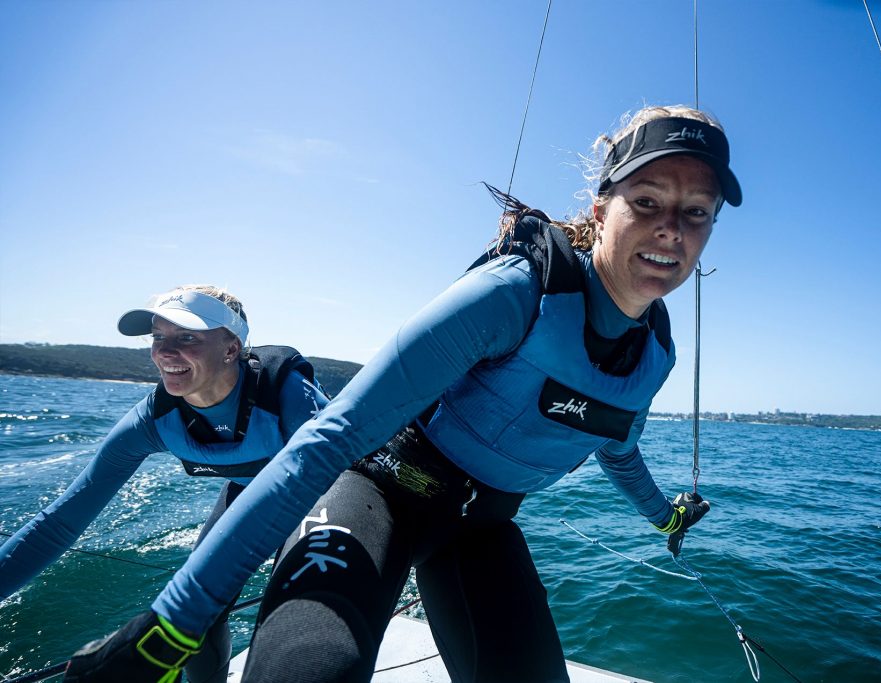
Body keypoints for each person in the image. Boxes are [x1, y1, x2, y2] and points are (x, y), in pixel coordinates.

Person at [64, 104, 742, 683]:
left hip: (480, 528)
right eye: (647, 202)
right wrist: (170, 627)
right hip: (375, 492)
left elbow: (619, 450)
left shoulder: (653, 355)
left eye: (696, 213)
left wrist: (666, 519)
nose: (671, 230)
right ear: (602, 208)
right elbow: (329, 439)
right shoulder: (514, 296)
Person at [0, 285, 330, 683]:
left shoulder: (288, 396)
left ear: (230, 349)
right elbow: (58, 524)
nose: (165, 352)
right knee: (198, 616)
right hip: (248, 491)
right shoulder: (154, 420)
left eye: (187, 337)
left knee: (290, 610)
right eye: (159, 337)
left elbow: (345, 474)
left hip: (324, 496)